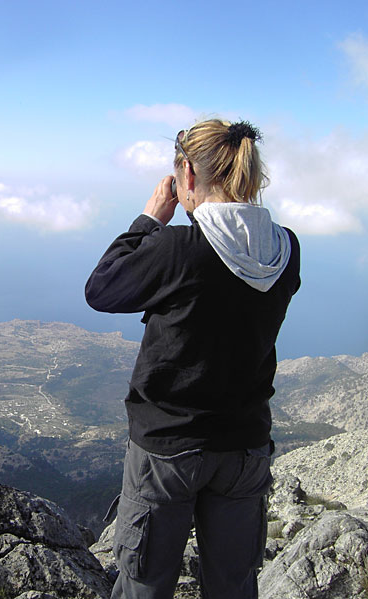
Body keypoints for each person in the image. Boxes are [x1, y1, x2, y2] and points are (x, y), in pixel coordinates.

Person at [85, 119, 300, 599]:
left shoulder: (178, 249)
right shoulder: (286, 248)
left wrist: (148, 222)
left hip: (167, 450)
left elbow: (101, 289)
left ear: (185, 173)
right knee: (233, 585)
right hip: (245, 447)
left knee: (145, 584)